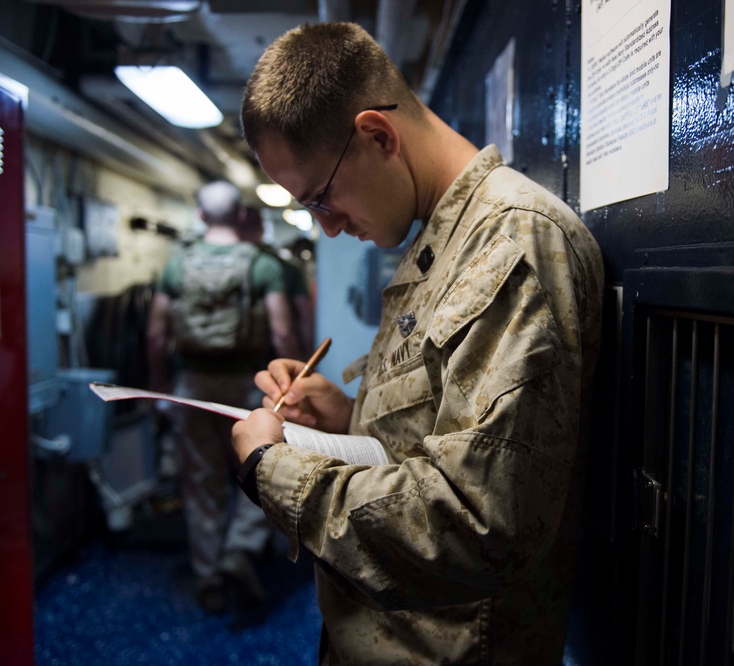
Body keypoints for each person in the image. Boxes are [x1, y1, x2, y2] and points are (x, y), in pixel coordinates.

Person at [232, 22, 605, 663]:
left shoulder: (513, 242)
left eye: (322, 199)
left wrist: (274, 470)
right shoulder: (442, 244)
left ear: (379, 135)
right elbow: (448, 441)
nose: (327, 228)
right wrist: (346, 420)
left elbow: (477, 523)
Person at [146, 180, 302, 617]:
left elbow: (156, 334)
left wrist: (160, 389)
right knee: (260, 467)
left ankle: (209, 578)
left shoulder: (177, 265)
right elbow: (284, 331)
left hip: (192, 386)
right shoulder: (262, 265)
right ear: (240, 217)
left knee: (201, 482)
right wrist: (291, 380)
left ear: (200, 216)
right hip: (247, 387)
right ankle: (241, 548)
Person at [239, 205, 316, 357]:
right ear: (261, 227)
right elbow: (293, 326)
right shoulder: (282, 267)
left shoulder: (200, 263)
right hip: (268, 361)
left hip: (205, 366)